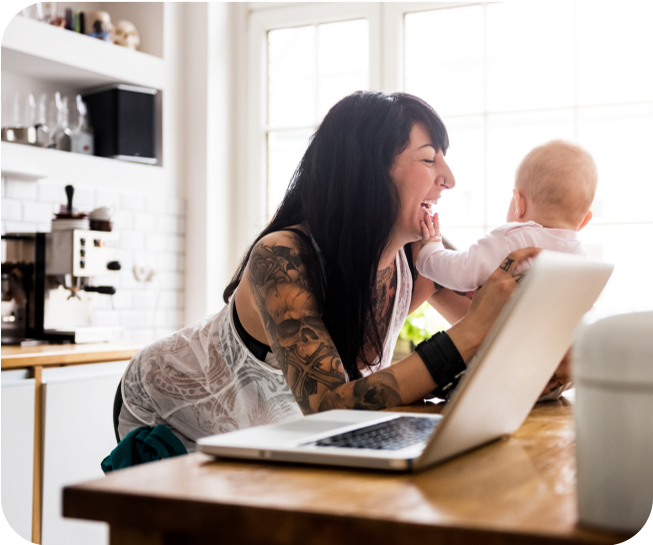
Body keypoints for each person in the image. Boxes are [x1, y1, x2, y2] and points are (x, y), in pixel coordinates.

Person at [116, 91, 551, 454]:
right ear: (370, 171)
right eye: (429, 159)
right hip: (170, 406)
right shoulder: (282, 257)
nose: (449, 179)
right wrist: (472, 332)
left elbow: (500, 333)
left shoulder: (424, 254)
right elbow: (329, 406)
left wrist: (552, 356)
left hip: (274, 423)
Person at [416, 140, 597, 294]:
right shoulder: (583, 260)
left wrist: (431, 248)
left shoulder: (512, 239)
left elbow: (460, 271)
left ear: (520, 203)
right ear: (584, 221)